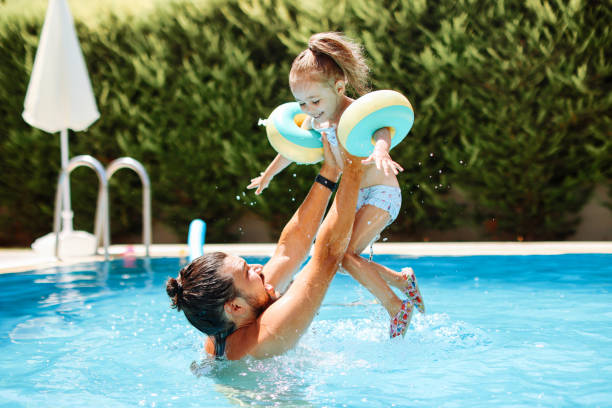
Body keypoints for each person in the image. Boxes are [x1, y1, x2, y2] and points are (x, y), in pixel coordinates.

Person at [247, 32, 424, 337]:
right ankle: (402, 281)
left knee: (344, 255)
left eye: (314, 100)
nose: (309, 108)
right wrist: (269, 173)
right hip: (354, 195)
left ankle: (397, 307)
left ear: (339, 88)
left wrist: (381, 148)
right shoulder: (317, 119)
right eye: (301, 103)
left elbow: (382, 127)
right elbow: (291, 149)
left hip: (382, 193)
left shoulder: (354, 114)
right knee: (339, 257)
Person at [167, 136, 367, 360]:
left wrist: (330, 170)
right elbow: (328, 256)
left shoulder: (226, 318)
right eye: (246, 271)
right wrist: (354, 167)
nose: (258, 268)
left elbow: (289, 250)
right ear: (235, 307)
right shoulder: (267, 334)